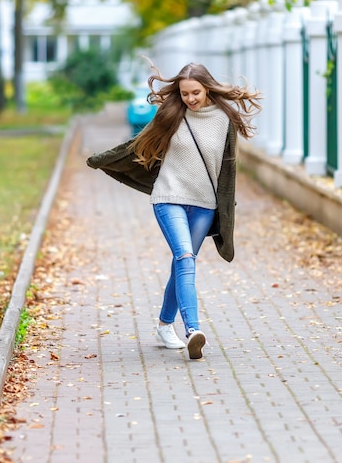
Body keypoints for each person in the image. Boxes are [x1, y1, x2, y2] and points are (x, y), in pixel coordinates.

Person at [87, 62, 261, 360]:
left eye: (195, 92)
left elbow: (228, 170)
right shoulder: (172, 115)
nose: (190, 99)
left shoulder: (224, 120)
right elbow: (136, 145)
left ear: (208, 88)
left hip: (204, 204)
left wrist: (226, 207)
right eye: (184, 94)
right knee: (184, 257)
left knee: (183, 264)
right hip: (169, 197)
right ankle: (193, 330)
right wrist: (102, 159)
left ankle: (164, 326)